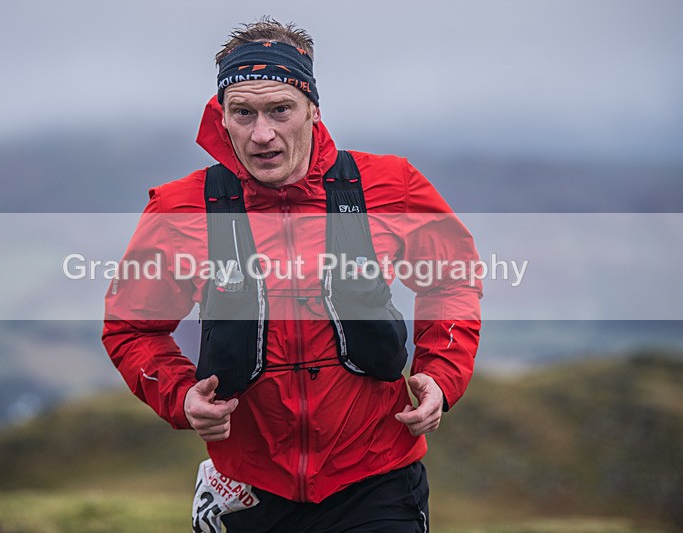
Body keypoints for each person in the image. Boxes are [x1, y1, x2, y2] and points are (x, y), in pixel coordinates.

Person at [103, 17, 481, 532]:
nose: (262, 134)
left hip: (377, 478)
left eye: (280, 109)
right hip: (249, 488)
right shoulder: (179, 209)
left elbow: (452, 277)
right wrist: (180, 394)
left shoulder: (391, 185)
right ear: (221, 116)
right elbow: (131, 328)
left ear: (312, 109)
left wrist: (440, 375)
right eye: (243, 113)